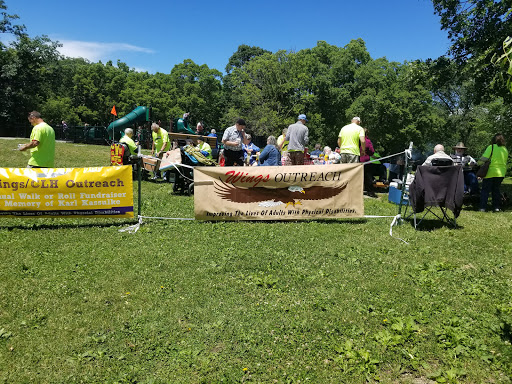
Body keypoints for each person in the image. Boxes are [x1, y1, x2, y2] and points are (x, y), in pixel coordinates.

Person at [479, 134, 508, 212]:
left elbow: (484, 158)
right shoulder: (504, 149)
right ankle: (496, 207)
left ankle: (482, 207)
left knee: (485, 190)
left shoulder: (491, 147)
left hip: (491, 172)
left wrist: (477, 163)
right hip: (501, 173)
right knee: (496, 190)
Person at [360, 128, 376, 197]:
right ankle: (370, 192)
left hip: (357, 161)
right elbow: (371, 151)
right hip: (366, 161)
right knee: (368, 177)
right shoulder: (367, 141)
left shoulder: (356, 141)